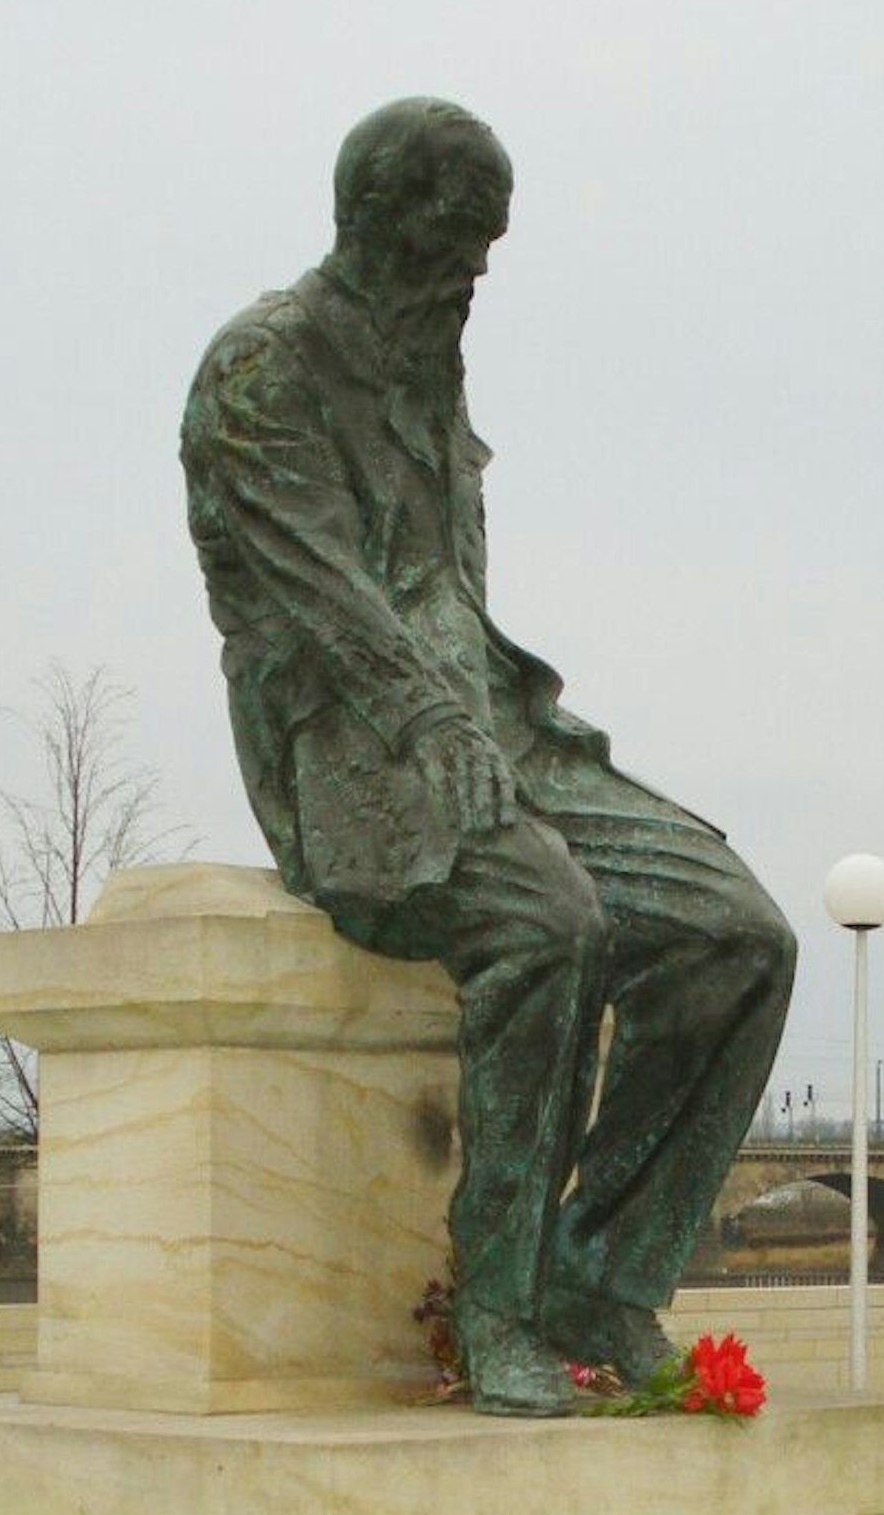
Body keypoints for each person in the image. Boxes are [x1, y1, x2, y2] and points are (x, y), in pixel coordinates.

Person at [180, 99, 796, 1416]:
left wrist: (497, 728)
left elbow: (454, 595)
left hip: (503, 736)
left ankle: (600, 1278)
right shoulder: (261, 370)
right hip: (353, 748)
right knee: (549, 919)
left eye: (489, 244)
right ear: (372, 218)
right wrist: (438, 727)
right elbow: (322, 592)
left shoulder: (431, 369)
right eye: (455, 238)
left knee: (741, 934)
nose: (474, 271)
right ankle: (498, 1303)